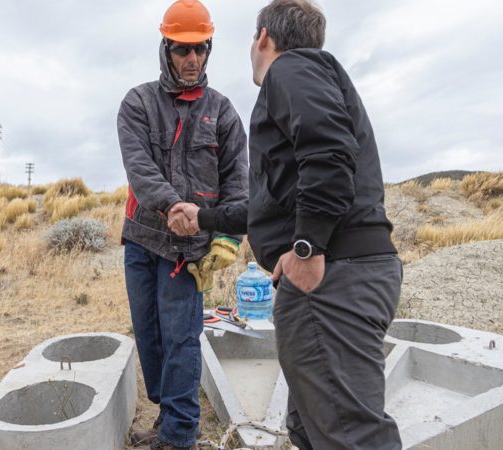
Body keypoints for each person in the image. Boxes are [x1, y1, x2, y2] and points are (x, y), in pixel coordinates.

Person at [168, 0, 403, 448]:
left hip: (331, 276)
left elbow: (330, 154)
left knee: (350, 434)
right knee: (311, 427)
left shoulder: (290, 69)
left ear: (262, 37)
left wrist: (306, 249)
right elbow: (270, 204)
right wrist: (205, 217)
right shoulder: (312, 76)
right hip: (344, 273)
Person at [117, 0, 248, 448]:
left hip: (189, 254)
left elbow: (238, 183)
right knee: (151, 339)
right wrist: (173, 206)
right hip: (142, 241)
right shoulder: (137, 103)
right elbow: (140, 168)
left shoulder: (224, 113)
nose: (192, 60)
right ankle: (167, 413)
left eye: (201, 49)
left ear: (209, 49)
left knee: (181, 341)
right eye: (181, 50)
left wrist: (228, 237)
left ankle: (179, 435)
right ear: (165, 48)